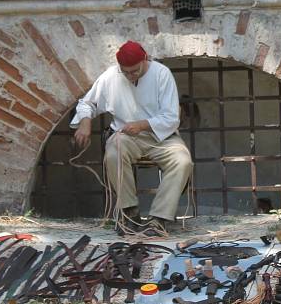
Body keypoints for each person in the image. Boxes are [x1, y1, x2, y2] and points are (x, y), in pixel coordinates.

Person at [71, 41, 193, 237]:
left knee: (182, 161)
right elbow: (88, 102)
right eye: (125, 72)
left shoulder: (161, 74)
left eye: (134, 71)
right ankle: (129, 212)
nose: (130, 76)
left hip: (161, 136)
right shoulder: (111, 76)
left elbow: (171, 117)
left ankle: (159, 219)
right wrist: (85, 123)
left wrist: (143, 125)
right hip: (125, 136)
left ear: (144, 60)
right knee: (113, 154)